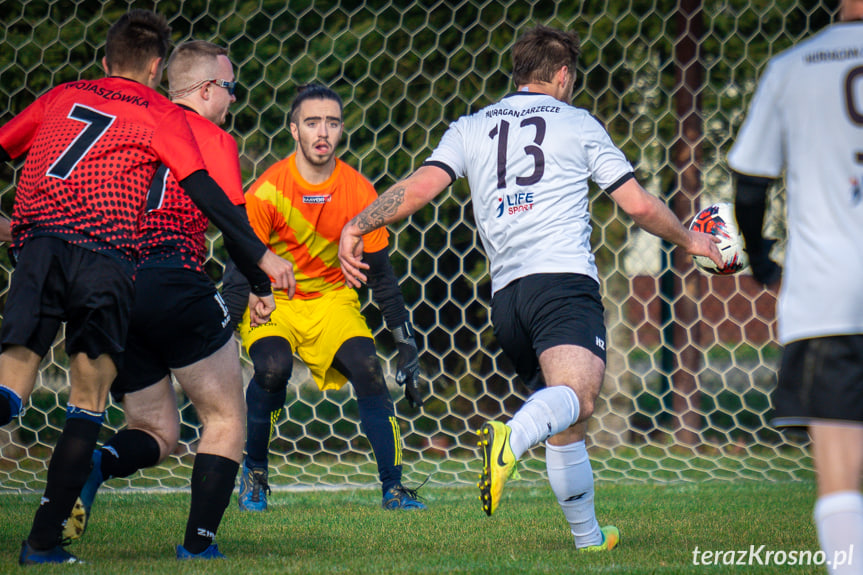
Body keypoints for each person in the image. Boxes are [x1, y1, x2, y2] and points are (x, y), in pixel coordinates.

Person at [339, 25, 722, 550]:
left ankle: (588, 539)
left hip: (508, 300)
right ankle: (510, 438)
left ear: (519, 73)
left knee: (565, 416)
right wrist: (691, 240)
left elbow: (420, 187)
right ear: (564, 76)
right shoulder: (578, 123)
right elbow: (636, 205)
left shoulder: (471, 125)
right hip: (562, 280)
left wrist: (358, 224)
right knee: (579, 398)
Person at [0, 10, 293, 565]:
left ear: (107, 63)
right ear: (195, 85)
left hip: (93, 270)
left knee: (154, 427)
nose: (233, 99)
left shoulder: (68, 97)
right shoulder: (188, 128)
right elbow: (222, 210)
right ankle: (197, 545)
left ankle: (91, 471)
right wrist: (259, 271)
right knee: (225, 416)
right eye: (230, 88)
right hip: (155, 274)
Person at [221, 83, 427, 512]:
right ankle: (254, 474)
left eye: (332, 123)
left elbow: (382, 275)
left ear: (341, 130)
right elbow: (240, 264)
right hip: (275, 299)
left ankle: (393, 488)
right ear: (293, 129)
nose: (323, 132)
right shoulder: (267, 190)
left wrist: (405, 342)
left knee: (370, 369)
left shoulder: (359, 191)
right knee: (273, 369)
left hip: (334, 300)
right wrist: (223, 328)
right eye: (312, 122)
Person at [728, 2, 863, 573]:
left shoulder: (793, 65)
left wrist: (761, 261)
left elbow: (751, 183)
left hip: (828, 292)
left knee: (840, 462)